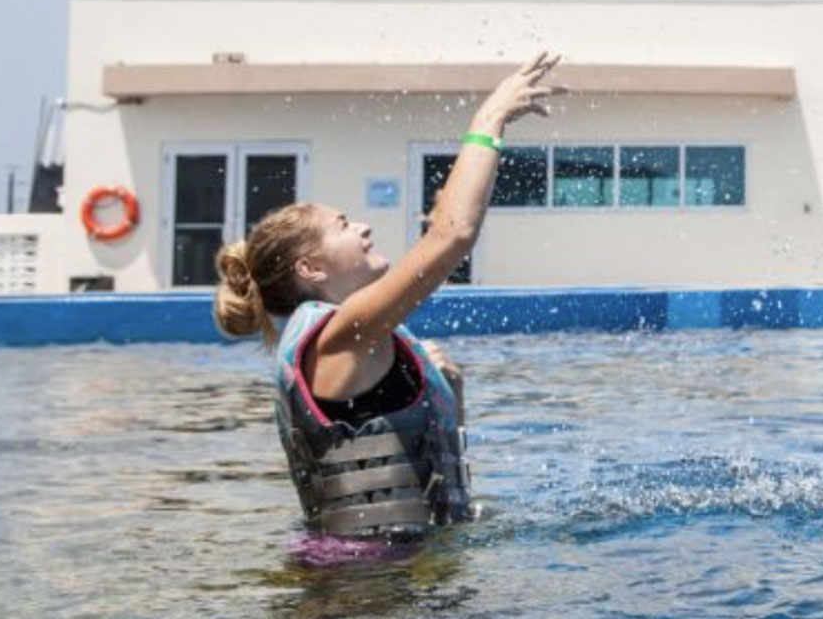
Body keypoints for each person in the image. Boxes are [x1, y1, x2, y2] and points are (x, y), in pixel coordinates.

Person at [212, 53, 565, 540]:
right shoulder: (337, 337)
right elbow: (452, 235)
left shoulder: (351, 338)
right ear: (311, 268)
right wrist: (491, 117)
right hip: (363, 587)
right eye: (342, 224)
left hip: (388, 574)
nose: (363, 226)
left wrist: (447, 398)